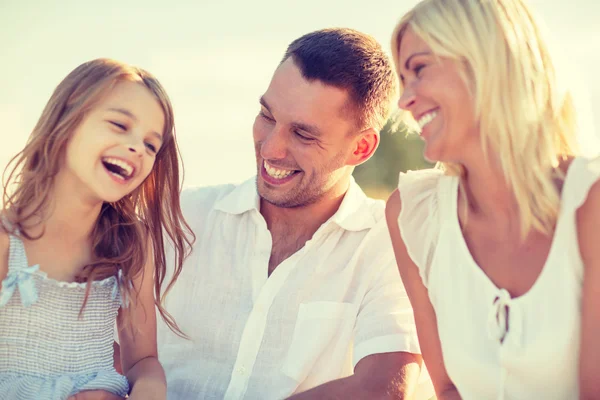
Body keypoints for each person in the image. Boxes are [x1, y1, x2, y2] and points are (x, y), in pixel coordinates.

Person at [155, 28, 430, 399]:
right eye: (267, 116)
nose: (271, 148)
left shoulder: (389, 245)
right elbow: (110, 351)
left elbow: (384, 389)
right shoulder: (179, 218)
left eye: (303, 134)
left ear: (361, 148)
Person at [385, 0, 600, 399]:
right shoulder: (414, 215)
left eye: (420, 69)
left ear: (489, 62)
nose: (404, 100)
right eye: (402, 78)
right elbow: (448, 389)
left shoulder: (591, 204)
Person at [0, 58, 194, 400]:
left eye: (151, 145)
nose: (137, 147)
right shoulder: (6, 240)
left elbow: (143, 362)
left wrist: (148, 392)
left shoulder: (132, 244)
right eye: (119, 125)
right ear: (67, 120)